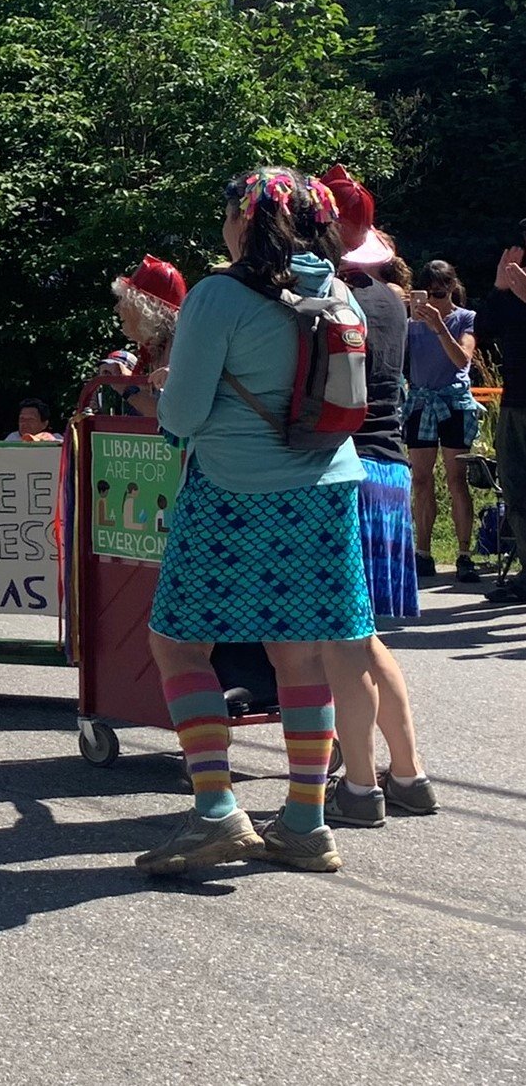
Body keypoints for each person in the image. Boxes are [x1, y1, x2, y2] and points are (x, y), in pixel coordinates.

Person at [136, 166, 370, 876]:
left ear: (247, 220)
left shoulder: (217, 295)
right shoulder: (335, 293)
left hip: (232, 493)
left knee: (178, 642)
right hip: (327, 490)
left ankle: (214, 809)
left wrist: (166, 389)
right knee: (298, 653)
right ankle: (305, 819)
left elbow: (179, 418)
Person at [317, 174, 438, 827]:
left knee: (341, 641)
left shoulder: (332, 299)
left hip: (345, 472)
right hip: (389, 472)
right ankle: (409, 774)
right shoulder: (392, 296)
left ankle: (360, 788)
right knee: (361, 637)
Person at [403, 260, 481, 583]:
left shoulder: (465, 319)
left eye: (440, 292)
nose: (434, 300)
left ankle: (464, 553)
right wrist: (401, 310)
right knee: (420, 479)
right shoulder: (411, 323)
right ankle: (423, 551)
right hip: (421, 401)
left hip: (454, 403)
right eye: (428, 293)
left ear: (451, 288)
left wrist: (439, 326)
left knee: (456, 478)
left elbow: (462, 358)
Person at [478, 239, 526, 602]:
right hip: (514, 403)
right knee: (514, 486)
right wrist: (498, 287)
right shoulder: (512, 288)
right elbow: (482, 330)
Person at [103, 256, 188, 417]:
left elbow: (169, 417)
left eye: (125, 301)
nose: (117, 308)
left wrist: (126, 386)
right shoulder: (159, 344)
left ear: (145, 308)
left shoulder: (178, 345)